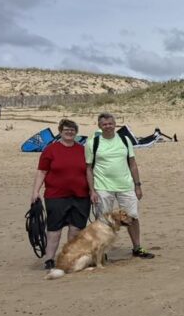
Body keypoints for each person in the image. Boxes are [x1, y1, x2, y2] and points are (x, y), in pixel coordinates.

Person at [85, 112, 154, 259]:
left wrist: (138, 185)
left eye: (110, 123)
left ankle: (137, 247)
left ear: (115, 124)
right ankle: (101, 252)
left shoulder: (124, 140)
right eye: (104, 124)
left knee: (133, 217)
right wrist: (92, 191)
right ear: (99, 126)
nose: (108, 126)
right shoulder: (93, 143)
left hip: (126, 185)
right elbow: (89, 168)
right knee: (103, 220)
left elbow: (132, 164)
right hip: (103, 186)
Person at [30, 118, 90, 271]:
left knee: (76, 229)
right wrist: (35, 192)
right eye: (66, 130)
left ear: (76, 132)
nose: (69, 132)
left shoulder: (83, 149)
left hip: (81, 195)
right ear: (60, 132)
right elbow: (42, 171)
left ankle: (69, 257)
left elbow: (90, 172)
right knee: (54, 230)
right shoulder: (50, 150)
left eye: (72, 130)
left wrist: (93, 191)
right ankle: (49, 259)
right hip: (56, 196)